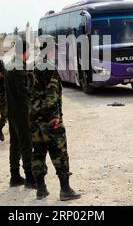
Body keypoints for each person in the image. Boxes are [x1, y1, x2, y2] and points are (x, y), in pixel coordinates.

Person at [31, 41, 81, 201]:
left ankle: (41, 189)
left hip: (34, 119)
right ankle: (65, 189)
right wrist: (55, 118)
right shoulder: (48, 67)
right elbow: (51, 96)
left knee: (38, 153)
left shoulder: (33, 66)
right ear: (50, 49)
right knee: (60, 153)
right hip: (49, 120)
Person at [4, 40, 36, 189]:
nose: (29, 54)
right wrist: (33, 105)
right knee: (26, 143)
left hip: (12, 110)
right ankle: (30, 177)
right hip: (21, 111)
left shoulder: (10, 65)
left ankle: (15, 175)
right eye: (28, 51)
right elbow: (22, 91)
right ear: (23, 52)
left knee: (15, 143)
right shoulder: (19, 67)